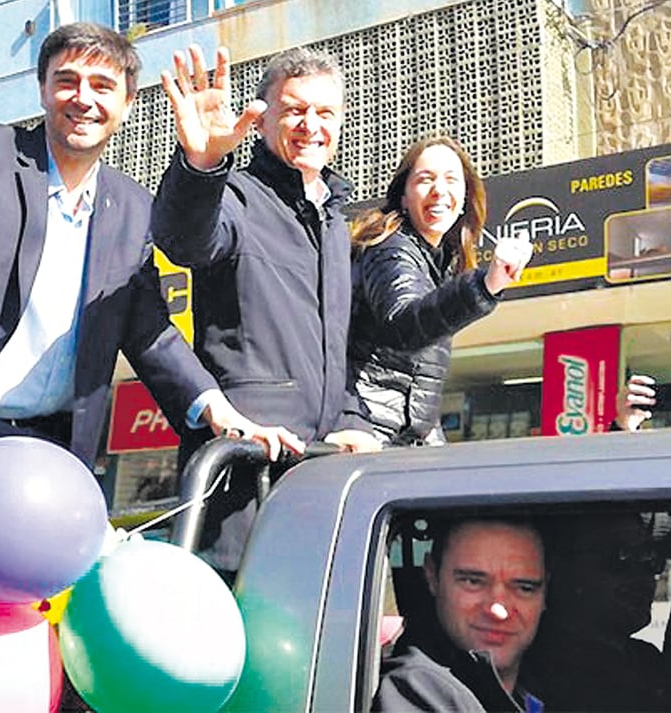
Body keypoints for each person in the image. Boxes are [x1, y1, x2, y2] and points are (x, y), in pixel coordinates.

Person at [0, 23, 293, 521]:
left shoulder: (134, 209)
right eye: (67, 80)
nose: (83, 98)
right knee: (8, 522)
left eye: (102, 85)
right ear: (43, 90)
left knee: (71, 556)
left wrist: (217, 409)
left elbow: (149, 332)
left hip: (45, 442)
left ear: (128, 102)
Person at [152, 45, 380, 573]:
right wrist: (202, 163)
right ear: (259, 120)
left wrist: (350, 420)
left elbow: (331, 349)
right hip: (243, 478)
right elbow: (184, 239)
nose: (310, 126)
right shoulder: (234, 194)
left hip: (318, 482)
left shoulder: (333, 220)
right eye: (294, 110)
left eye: (325, 113)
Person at [348, 136, 533, 447]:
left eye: (451, 180)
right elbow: (404, 323)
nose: (439, 190)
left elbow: (418, 393)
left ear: (463, 199)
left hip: (395, 442)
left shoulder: (438, 264)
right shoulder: (391, 247)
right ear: (403, 197)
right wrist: (485, 286)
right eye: (425, 179)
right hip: (366, 439)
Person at [374, 517, 547, 711]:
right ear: (432, 576)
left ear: (546, 593)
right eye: (473, 582)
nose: (498, 611)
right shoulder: (413, 692)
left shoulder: (551, 687)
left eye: (524, 588)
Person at [520, 510, 671, 711]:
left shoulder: (645, 659)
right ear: (556, 569)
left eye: (650, 559)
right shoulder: (533, 672)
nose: (641, 576)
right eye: (620, 557)